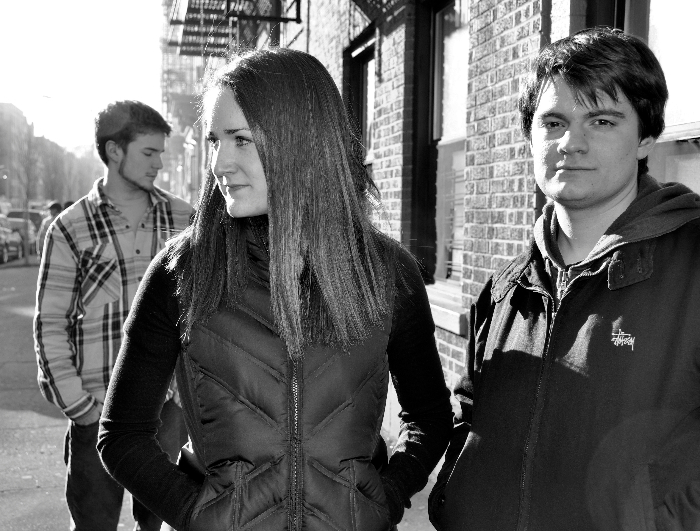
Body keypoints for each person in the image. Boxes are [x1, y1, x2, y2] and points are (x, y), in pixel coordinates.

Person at [97, 48, 453, 531]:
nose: (220, 163)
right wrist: (197, 515)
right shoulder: (183, 271)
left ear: (303, 142)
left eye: (241, 140)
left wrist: (381, 502)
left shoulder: (387, 273)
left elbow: (430, 417)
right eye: (215, 141)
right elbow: (121, 435)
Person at [429, 27, 700, 530]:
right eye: (553, 122)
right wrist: (454, 496)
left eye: (601, 120)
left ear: (646, 136)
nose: (570, 143)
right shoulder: (506, 288)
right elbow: (471, 416)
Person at [34, 100, 193, 530]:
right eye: (149, 152)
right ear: (114, 150)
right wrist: (79, 406)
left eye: (161, 153)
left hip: (168, 410)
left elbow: (205, 313)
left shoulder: (185, 219)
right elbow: (51, 324)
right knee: (93, 525)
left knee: (162, 524)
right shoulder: (70, 227)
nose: (159, 163)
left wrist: (186, 397)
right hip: (97, 409)